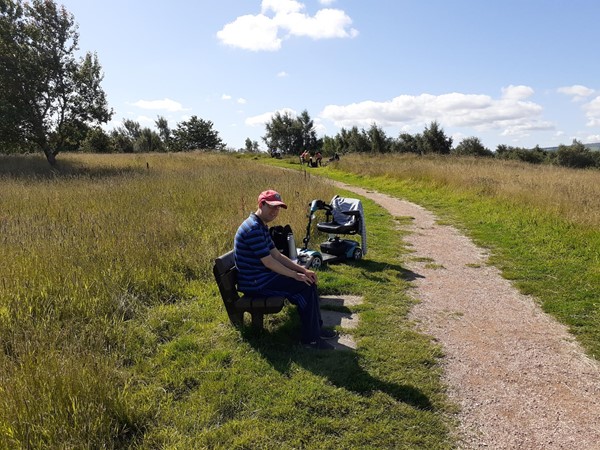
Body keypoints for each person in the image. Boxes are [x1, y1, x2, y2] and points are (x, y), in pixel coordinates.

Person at [234, 190, 336, 350]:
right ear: (261, 204)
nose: (276, 212)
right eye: (272, 207)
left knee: (308, 280)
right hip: (255, 284)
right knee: (304, 286)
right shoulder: (253, 229)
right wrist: (296, 276)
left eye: (278, 208)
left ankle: (316, 328)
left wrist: (302, 271)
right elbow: (269, 262)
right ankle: (311, 340)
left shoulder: (260, 225)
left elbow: (277, 255)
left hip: (262, 278)